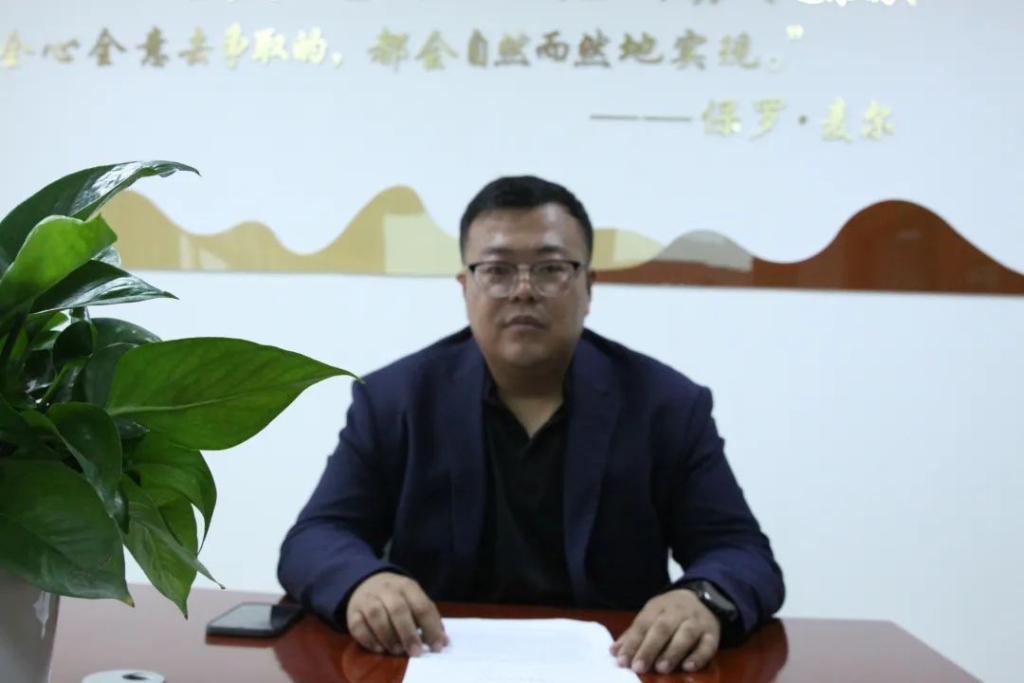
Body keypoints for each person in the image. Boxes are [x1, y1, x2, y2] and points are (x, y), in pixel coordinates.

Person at [277, 175, 785, 675]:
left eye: (550, 269)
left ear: (589, 286)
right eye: (497, 270)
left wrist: (702, 598)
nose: (523, 290)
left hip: (615, 663)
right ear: (465, 287)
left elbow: (740, 550)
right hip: (440, 660)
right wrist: (362, 582)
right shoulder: (395, 399)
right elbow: (317, 536)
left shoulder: (666, 405)